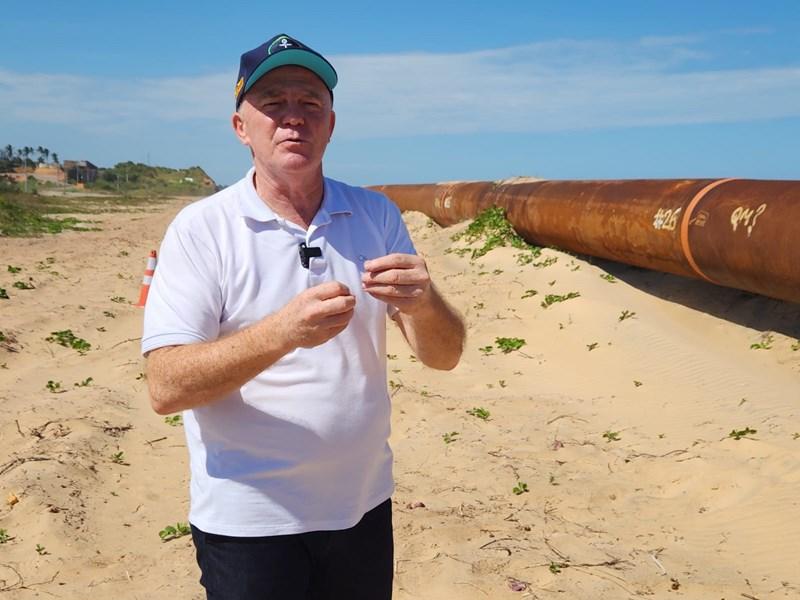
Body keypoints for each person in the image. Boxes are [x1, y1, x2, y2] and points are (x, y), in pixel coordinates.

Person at [142, 33, 465, 600]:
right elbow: (166, 386)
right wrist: (281, 333)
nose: (294, 118)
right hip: (249, 521)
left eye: (310, 103)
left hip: (362, 507)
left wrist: (424, 301)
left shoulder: (375, 214)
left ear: (331, 124)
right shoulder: (201, 230)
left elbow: (443, 357)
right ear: (241, 126)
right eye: (274, 104)